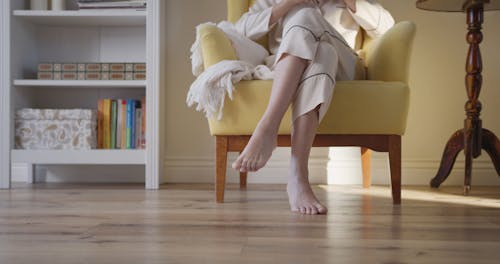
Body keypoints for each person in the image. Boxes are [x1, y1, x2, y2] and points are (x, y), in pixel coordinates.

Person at [231, 0, 395, 215]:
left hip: (344, 67)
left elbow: (388, 27)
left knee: (306, 17)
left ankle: (268, 126)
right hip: (294, 66)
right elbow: (239, 31)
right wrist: (290, 3)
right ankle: (298, 176)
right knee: (323, 54)